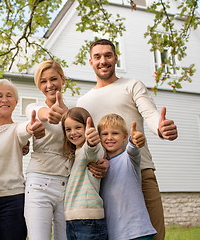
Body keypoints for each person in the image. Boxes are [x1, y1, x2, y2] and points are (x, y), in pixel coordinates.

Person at [76, 39, 178, 240]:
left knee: (155, 234)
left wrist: (160, 127)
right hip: (105, 179)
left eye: (108, 55)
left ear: (115, 58)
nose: (103, 60)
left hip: (141, 171)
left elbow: (150, 114)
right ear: (90, 62)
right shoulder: (83, 101)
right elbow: (82, 142)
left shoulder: (131, 85)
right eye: (97, 57)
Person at [0, 79, 45, 240]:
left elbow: (26, 129)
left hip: (12, 201)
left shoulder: (16, 129)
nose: (4, 99)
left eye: (9, 96)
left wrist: (32, 127)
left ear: (16, 102)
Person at [24, 60, 70, 240]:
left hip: (68, 185)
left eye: (53, 79)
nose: (49, 85)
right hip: (40, 183)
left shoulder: (75, 112)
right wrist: (49, 114)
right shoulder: (34, 109)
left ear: (63, 79)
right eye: (43, 81)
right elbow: (40, 112)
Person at [98, 114, 157, 240]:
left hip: (138, 231)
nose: (109, 138)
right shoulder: (100, 165)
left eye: (115, 133)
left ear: (125, 137)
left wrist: (135, 140)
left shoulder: (129, 158)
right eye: (105, 134)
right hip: (114, 234)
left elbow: (133, 149)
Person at [61, 107, 107, 240]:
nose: (73, 133)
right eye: (68, 129)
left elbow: (91, 150)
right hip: (73, 219)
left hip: (88, 219)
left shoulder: (89, 151)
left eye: (78, 127)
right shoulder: (75, 154)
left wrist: (91, 141)